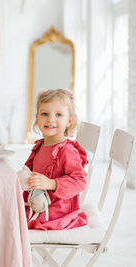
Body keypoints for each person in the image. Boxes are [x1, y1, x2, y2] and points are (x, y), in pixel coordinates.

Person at [24, 88, 88, 230]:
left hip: (57, 210)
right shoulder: (40, 146)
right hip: (39, 203)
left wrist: (52, 183)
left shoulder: (66, 151)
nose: (50, 119)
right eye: (44, 114)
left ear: (69, 121)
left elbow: (80, 181)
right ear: (37, 117)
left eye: (58, 115)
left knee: (9, 221)